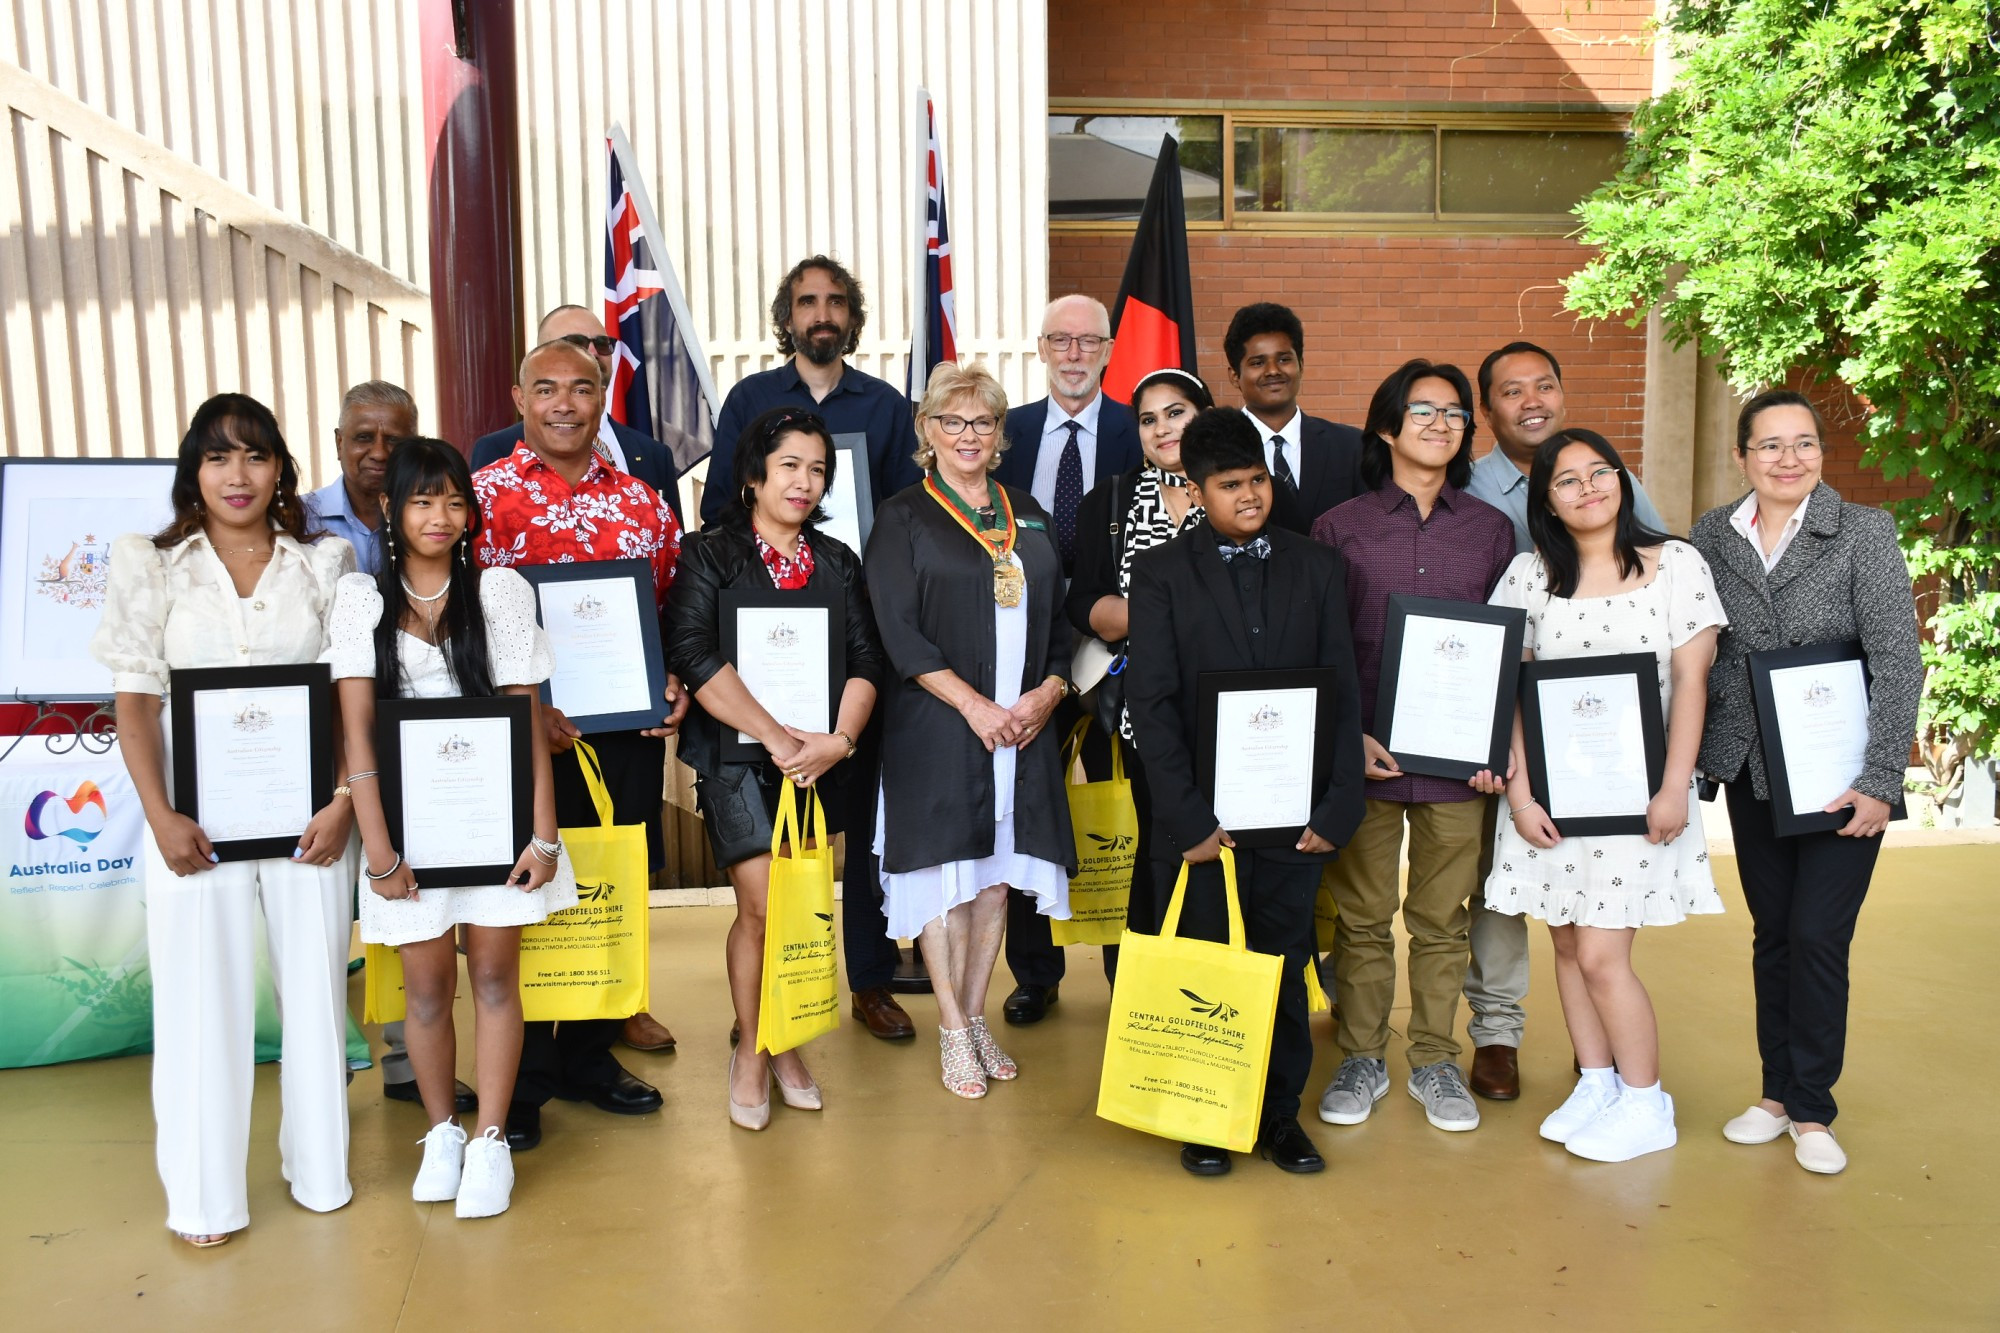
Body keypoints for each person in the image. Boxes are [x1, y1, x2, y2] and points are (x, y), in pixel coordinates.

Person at [91, 394, 357, 1248]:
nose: (236, 476)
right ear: (192, 473)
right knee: (200, 1003)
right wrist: (161, 816)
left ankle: (319, 1174)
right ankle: (205, 1199)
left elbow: (354, 698)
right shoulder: (151, 564)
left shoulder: (326, 561)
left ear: (281, 466)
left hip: (309, 822)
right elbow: (135, 703)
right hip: (192, 828)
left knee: (315, 996)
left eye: (254, 456)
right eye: (217, 458)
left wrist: (345, 803)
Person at [331, 439, 572, 1216]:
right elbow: (357, 738)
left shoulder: (497, 592)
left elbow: (525, 720)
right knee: (427, 989)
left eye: (453, 500)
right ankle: (442, 1132)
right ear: (392, 512)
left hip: (493, 827)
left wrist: (543, 835)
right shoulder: (360, 600)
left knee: (496, 979)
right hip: (407, 834)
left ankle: (491, 1140)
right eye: (422, 501)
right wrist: (378, 852)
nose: (441, 516)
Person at [1126, 407, 1365, 1177]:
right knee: (1209, 969)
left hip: (1294, 822)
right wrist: (1188, 818)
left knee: (1282, 967)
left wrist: (1337, 806)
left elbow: (1343, 693)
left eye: (1257, 479)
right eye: (1230, 485)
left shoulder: (1316, 566)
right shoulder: (1161, 575)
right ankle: (1207, 1113)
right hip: (1203, 825)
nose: (1250, 496)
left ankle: (1279, 1116)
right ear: (1195, 492)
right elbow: (1151, 703)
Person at [1477, 427, 1725, 1163]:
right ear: (1546, 501)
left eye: (1600, 472)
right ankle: (1597, 1081)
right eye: (1567, 480)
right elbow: (1509, 692)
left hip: (1637, 799)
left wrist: (1675, 786)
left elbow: (1691, 681)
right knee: (1562, 935)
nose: (1588, 488)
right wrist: (1520, 796)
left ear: (1622, 479)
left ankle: (1647, 1101)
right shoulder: (1528, 575)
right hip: (1550, 800)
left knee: (1602, 953)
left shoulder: (1676, 564)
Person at [1691, 389, 1921, 1175]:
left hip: (1840, 773)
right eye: (1770, 445)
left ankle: (1814, 1109)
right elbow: (1703, 651)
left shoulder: (1863, 531)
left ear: (1821, 452)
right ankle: (1776, 1094)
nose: (1789, 459)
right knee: (1775, 932)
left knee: (1820, 936)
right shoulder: (1712, 536)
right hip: (1757, 768)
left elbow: (1897, 658)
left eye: (1804, 443)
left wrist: (1882, 778)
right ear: (1742, 456)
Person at [472, 337, 686, 1151]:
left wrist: (672, 681)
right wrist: (529, 713)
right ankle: (522, 1078)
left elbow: (668, 611)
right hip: (523, 742)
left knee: (607, 890)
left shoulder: (640, 500)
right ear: (520, 398)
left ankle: (591, 1055)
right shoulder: (481, 497)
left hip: (620, 735)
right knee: (525, 898)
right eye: (547, 388)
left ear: (604, 398)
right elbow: (462, 625)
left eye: (582, 387)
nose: (565, 402)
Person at [706, 254, 922, 1041]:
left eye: (835, 301)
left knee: (859, 825)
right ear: (787, 315)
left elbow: (901, 521)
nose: (820, 313)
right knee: (766, 833)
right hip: (760, 653)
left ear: (851, 316)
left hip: (855, 637)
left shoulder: (890, 406)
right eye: (806, 301)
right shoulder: (751, 399)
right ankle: (763, 997)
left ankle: (868, 979)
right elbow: (716, 513)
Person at [1308, 359, 1516, 1136]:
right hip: (1367, 758)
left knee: (1443, 918)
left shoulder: (1490, 530)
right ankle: (1362, 1054)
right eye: (1422, 409)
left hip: (1462, 767)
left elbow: (1507, 650)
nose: (1441, 422)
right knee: (1361, 919)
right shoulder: (1340, 526)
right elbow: (1324, 646)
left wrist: (1498, 742)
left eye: (1455, 412)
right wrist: (1345, 733)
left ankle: (1433, 1058)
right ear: (1387, 426)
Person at [1460, 341, 1672, 1097]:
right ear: (1488, 411)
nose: (1532, 400)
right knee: (1519, 892)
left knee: (1596, 939)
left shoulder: (1613, 480)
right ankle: (1500, 1031)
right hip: (1518, 730)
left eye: (1544, 385)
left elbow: (1656, 572)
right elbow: (1488, 645)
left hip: (1612, 746)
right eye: (1512, 391)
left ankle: (1620, 1081)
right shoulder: (1471, 485)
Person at [865, 362, 1076, 1099]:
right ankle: (952, 1025)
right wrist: (977, 706)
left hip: (1023, 727)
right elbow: (897, 629)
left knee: (995, 883)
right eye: (951, 421)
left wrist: (1050, 689)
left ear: (999, 434)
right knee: (946, 881)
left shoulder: (1029, 509)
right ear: (926, 431)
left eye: (982, 422)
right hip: (941, 724)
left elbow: (1065, 614)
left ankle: (978, 1012)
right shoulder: (902, 515)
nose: (967, 434)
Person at [668, 408, 884, 1128]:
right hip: (737, 759)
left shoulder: (837, 560)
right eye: (789, 464)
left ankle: (787, 1040)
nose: (804, 480)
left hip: (819, 764)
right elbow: (695, 652)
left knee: (800, 907)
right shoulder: (710, 554)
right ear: (755, 473)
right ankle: (754, 1050)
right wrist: (774, 734)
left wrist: (839, 740)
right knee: (761, 908)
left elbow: (865, 660)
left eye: (817, 468)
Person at [994, 294, 1144, 1024]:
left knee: (1129, 810)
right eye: (1062, 339)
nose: (1076, 353)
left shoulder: (1140, 429)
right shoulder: (1006, 433)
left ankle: (1128, 971)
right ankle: (1035, 971)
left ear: (1109, 350)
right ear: (1043, 347)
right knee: (1030, 805)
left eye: (1089, 341)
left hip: (1118, 650)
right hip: (1024, 655)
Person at [1061, 367, 1215, 957]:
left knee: (1226, 845)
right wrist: (1178, 617)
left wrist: (1161, 613)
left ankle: (1223, 983)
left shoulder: (1240, 486)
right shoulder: (1114, 499)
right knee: (1159, 840)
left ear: (1204, 414)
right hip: (1145, 708)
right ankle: (1149, 995)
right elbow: (1085, 601)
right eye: (1148, 419)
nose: (1161, 428)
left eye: (1175, 412)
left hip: (1231, 708)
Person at [472, 304, 686, 528]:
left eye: (602, 344)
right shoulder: (493, 457)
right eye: (576, 343)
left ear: (602, 397)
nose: (592, 353)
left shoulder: (652, 454)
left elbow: (673, 552)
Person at [1222, 302, 1364, 534]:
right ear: (1235, 376)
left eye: (1284, 359)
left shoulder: (1352, 446)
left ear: (1301, 365)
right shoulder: (1216, 448)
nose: (1273, 370)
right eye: (1258, 363)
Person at [304, 381, 417, 577]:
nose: (379, 454)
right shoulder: (301, 517)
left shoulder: (433, 519)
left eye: (394, 440)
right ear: (339, 443)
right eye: (364, 437)